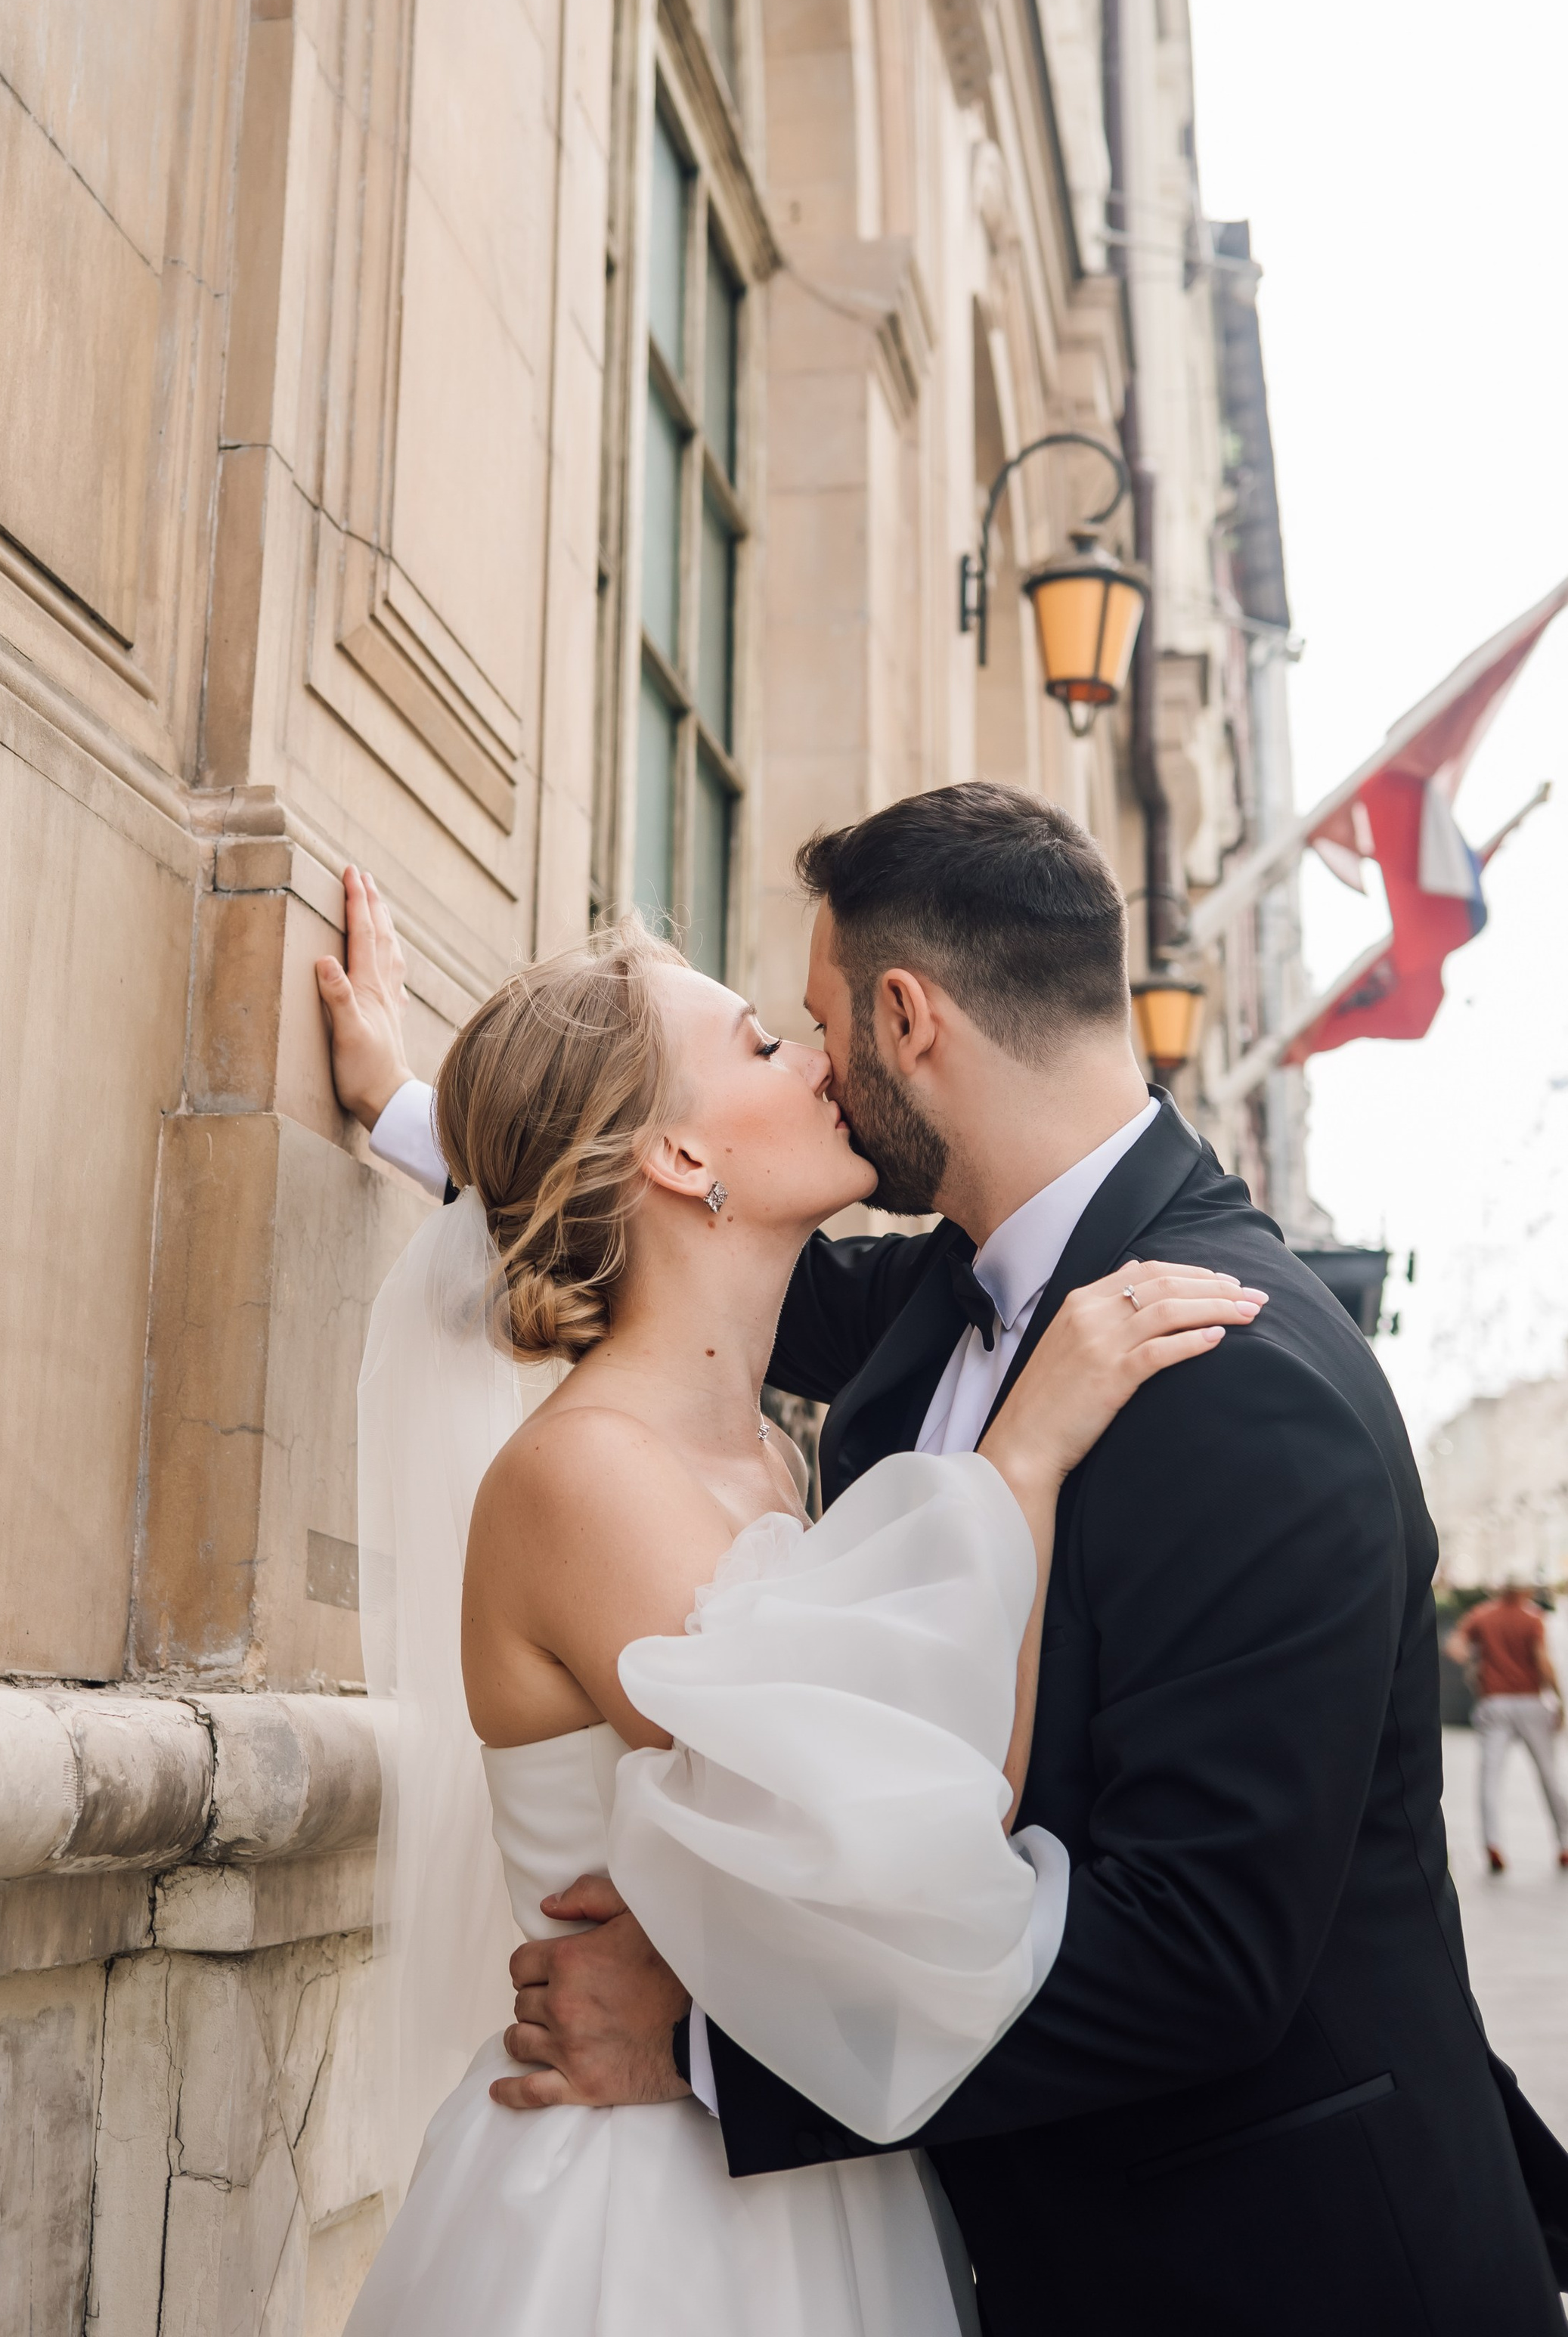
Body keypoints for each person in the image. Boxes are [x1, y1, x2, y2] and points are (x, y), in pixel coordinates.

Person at [322, 785, 1568, 2337]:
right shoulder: (923, 1310)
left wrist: (706, 2046)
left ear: (905, 1019)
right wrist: (411, 1109)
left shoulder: (1237, 1375)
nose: (815, 1066)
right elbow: (653, 1241)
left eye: (812, 1026)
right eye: (772, 1043)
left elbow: (1198, 1957)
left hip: (1270, 2270)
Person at [324, 902, 1258, 2336]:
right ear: (681, 1157)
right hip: (643, 2220)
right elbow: (891, 1835)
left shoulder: (766, 1452)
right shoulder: (582, 1476)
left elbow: (949, 1792)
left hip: (814, 2175)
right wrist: (1019, 1460)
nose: (828, 1063)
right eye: (767, 1043)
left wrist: (407, 1102)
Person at [1447, 1580, 1568, 1872]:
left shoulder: (1481, 1615)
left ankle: (1493, 1843)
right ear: (1524, 1591)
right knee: (1548, 1774)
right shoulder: (1533, 1618)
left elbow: (1455, 1648)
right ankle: (1564, 1841)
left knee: (1490, 1775)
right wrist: (1559, 1699)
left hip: (1494, 1702)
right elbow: (1542, 1660)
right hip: (1529, 1700)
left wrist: (1477, 1663)